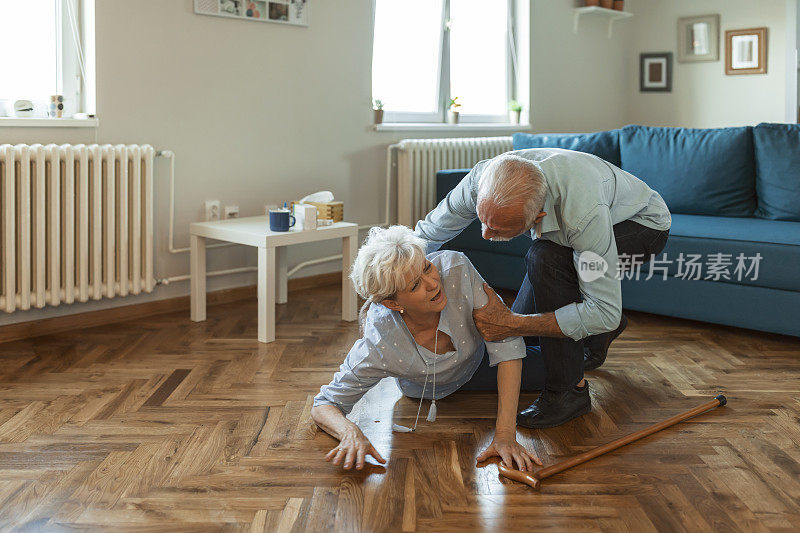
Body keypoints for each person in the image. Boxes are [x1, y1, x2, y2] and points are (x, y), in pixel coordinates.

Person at [414, 148, 671, 429]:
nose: (485, 234)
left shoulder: (582, 216)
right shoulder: (481, 180)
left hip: (640, 223)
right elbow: (426, 235)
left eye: (499, 230)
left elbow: (605, 311)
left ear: (538, 216)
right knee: (527, 341)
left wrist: (514, 323)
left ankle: (569, 392)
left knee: (546, 258)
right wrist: (394, 275)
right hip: (583, 211)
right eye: (482, 220)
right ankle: (596, 336)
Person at [312, 226, 543, 472]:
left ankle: (584, 330)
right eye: (414, 286)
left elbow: (505, 339)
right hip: (452, 381)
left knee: (542, 258)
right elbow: (324, 404)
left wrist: (505, 435)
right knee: (561, 366)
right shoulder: (379, 345)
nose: (433, 283)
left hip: (482, 346)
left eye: (426, 267)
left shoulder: (455, 269)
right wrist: (351, 432)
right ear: (392, 303)